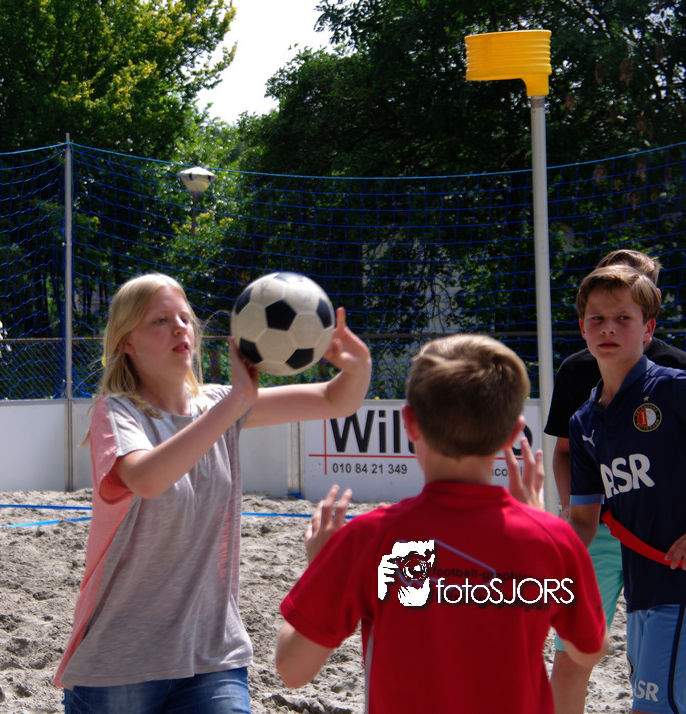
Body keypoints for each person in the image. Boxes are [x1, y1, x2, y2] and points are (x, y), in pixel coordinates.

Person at [53, 272, 372, 713]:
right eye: (160, 320)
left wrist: (358, 367)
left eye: (185, 318)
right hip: (120, 660)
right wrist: (236, 402)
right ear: (126, 343)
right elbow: (148, 479)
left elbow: (336, 401)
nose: (179, 327)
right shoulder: (117, 412)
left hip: (213, 652)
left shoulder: (219, 403)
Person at [275, 334, 608, 714]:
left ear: (409, 423)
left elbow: (292, 668)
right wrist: (539, 527)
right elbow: (589, 650)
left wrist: (321, 566)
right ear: (514, 434)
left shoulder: (372, 539)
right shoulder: (551, 540)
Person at [545, 250, 686, 714]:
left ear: (648, 326)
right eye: (598, 318)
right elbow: (584, 521)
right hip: (643, 587)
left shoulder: (674, 387)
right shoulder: (585, 421)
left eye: (623, 317)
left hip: (676, 585)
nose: (608, 327)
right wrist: (542, 554)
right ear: (582, 327)